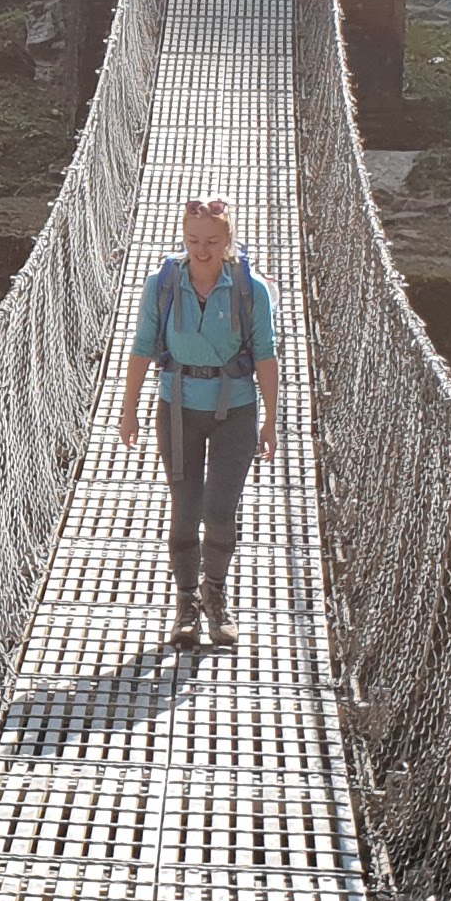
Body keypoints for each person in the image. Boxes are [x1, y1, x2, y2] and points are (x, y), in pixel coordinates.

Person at [119, 195, 280, 651]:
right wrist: (129, 409)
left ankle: (216, 595)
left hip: (237, 411)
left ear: (229, 241)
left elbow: (265, 355)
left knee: (220, 508)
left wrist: (271, 420)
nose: (202, 250)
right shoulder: (163, 284)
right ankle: (186, 604)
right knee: (186, 506)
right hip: (177, 409)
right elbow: (143, 346)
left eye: (212, 241)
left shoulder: (251, 289)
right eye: (193, 241)